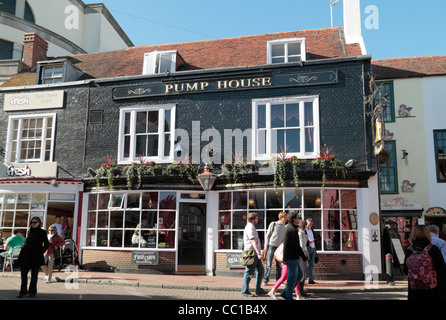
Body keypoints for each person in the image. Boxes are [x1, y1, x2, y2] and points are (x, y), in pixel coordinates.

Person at [403, 224, 446, 300]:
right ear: (427, 234)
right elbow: (442, 269)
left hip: (414, 291)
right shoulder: (433, 249)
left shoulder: (409, 250)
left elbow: (405, 271)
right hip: (432, 290)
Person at [16, 217, 49, 298]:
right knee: (23, 273)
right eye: (32, 222)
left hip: (36, 256)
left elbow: (46, 244)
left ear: (39, 223)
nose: (33, 224)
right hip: (26, 255)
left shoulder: (42, 232)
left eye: (35, 222)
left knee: (34, 275)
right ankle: (23, 291)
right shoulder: (29, 230)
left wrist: (40, 252)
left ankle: (32, 292)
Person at [280, 211, 307, 300]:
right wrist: (304, 257)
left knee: (299, 275)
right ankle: (288, 296)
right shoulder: (292, 230)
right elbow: (296, 245)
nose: (298, 219)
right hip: (291, 257)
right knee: (292, 277)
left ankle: (285, 292)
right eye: (297, 218)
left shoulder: (291, 228)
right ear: (294, 219)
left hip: (292, 257)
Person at [241, 212, 266, 297]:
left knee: (261, 271)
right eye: (256, 218)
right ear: (252, 219)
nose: (257, 219)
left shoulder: (252, 227)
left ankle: (258, 289)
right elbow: (253, 241)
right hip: (252, 253)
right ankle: (245, 291)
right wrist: (258, 253)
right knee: (249, 272)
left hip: (255, 253)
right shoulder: (250, 227)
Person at [263, 212, 287, 285]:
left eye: (286, 217)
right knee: (268, 263)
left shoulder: (285, 226)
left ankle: (279, 280)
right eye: (284, 217)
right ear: (280, 218)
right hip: (271, 245)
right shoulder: (273, 224)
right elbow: (268, 235)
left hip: (279, 247)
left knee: (279, 265)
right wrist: (266, 245)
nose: (286, 218)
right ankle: (265, 279)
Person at [298, 220, 310, 297]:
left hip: (301, 255)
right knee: (302, 273)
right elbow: (302, 246)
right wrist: (304, 257)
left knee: (302, 273)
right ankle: (300, 291)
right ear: (304, 226)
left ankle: (300, 290)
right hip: (302, 256)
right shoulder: (301, 233)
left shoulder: (300, 232)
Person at [306, 218, 317, 284]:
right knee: (307, 264)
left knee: (311, 264)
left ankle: (310, 279)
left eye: (311, 225)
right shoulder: (304, 230)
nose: (310, 226)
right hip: (308, 248)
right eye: (309, 225)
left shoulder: (311, 230)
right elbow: (302, 239)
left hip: (313, 247)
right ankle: (308, 278)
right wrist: (308, 241)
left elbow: (314, 237)